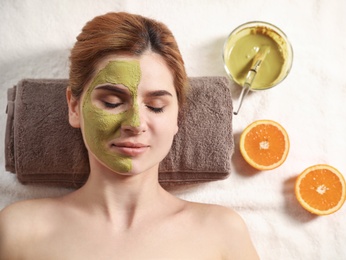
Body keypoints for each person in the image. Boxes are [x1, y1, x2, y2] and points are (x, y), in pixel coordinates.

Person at [0, 12, 259, 259]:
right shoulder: (20, 230)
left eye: (156, 106)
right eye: (112, 102)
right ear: (74, 107)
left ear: (177, 116)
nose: (135, 123)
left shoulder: (222, 232)